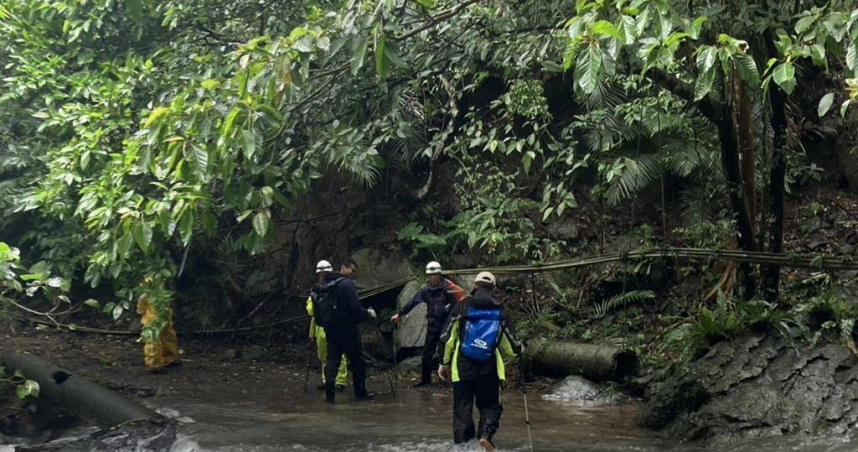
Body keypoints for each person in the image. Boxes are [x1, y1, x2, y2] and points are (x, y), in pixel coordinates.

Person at [439, 271, 522, 452]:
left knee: (462, 408)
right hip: (488, 366)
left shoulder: (462, 306)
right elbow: (511, 347)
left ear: (475, 286)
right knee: (490, 404)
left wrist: (443, 363)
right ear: (493, 289)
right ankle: (485, 436)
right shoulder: (500, 310)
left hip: (461, 366)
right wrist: (520, 350)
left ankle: (462, 446)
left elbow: (447, 338)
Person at [391, 261, 465, 386]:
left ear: (439, 275)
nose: (433, 278)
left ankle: (446, 380)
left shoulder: (448, 289)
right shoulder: (426, 290)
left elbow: (457, 306)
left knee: (445, 353)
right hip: (432, 324)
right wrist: (400, 314)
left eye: (435, 275)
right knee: (427, 353)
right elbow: (413, 302)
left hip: (446, 325)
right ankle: (425, 380)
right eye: (430, 276)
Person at [318, 260, 377, 403]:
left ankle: (329, 396)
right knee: (358, 361)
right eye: (352, 270)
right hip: (347, 329)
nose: (354, 274)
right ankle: (360, 393)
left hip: (330, 329)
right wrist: (368, 314)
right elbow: (355, 307)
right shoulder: (346, 284)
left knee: (332, 361)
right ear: (343, 267)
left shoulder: (324, 284)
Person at [306, 260, 348, 391]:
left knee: (338, 354)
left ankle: (339, 381)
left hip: (335, 325)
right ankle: (327, 381)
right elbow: (310, 309)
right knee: (323, 355)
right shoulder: (317, 288)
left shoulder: (337, 286)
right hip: (320, 326)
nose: (323, 275)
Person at [136, 279, 179, 372]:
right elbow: (142, 299)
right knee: (153, 340)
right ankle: (153, 365)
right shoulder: (147, 282)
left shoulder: (164, 279)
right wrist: (141, 310)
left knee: (168, 336)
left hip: (163, 315)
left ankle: (169, 358)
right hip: (152, 318)